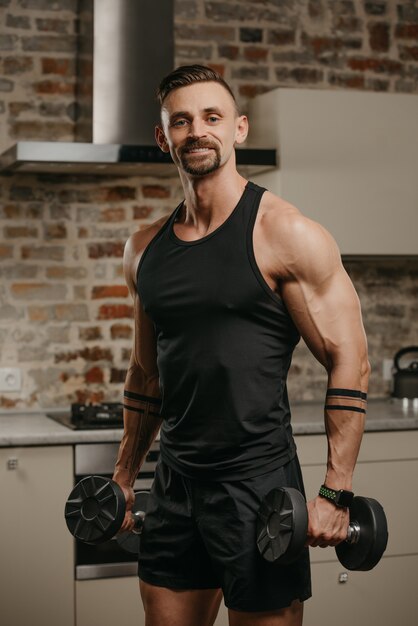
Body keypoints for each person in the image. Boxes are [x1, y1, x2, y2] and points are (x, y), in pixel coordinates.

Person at [112, 65, 370, 626]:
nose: (196, 130)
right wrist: (125, 476)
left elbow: (350, 358)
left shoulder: (286, 233)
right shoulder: (143, 250)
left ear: (239, 129)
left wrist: (337, 490)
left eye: (211, 117)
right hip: (175, 484)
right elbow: (145, 374)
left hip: (259, 486)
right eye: (180, 121)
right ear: (163, 138)